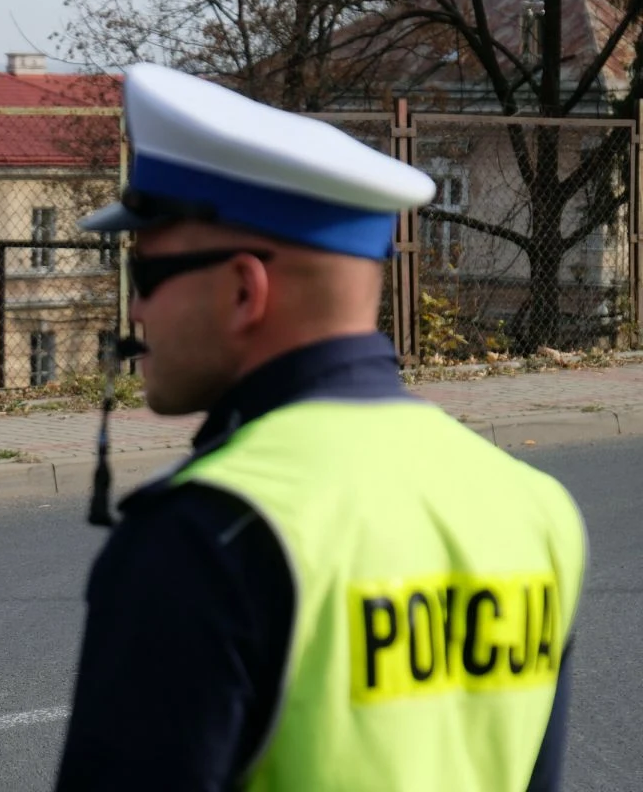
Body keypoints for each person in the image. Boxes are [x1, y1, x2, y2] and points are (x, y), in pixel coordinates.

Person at [54, 63, 588, 791]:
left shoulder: (205, 535)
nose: (136, 311)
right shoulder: (536, 509)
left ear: (243, 290)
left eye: (144, 277)